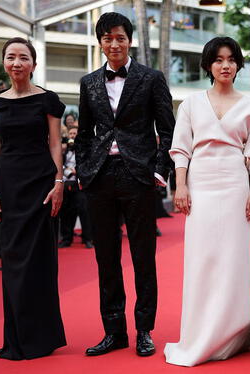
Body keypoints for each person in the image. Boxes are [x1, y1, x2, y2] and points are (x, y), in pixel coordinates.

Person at [164, 36, 250, 367]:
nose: (225, 65)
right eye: (218, 59)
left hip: (236, 186)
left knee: (233, 262)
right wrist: (180, 186)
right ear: (209, 65)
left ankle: (232, 334)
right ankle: (198, 335)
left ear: (238, 65)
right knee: (202, 260)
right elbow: (181, 148)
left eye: (231, 59)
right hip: (201, 184)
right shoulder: (191, 105)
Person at [75, 12, 174, 357]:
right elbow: (83, 134)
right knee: (106, 258)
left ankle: (144, 330)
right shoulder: (88, 83)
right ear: (100, 42)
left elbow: (168, 130)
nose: (113, 44)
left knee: (143, 256)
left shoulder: (151, 78)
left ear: (129, 40)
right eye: (107, 39)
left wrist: (160, 172)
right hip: (101, 177)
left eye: (119, 37)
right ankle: (113, 330)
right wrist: (86, 172)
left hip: (139, 177)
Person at [0, 37, 66, 360]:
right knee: (13, 261)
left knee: (40, 260)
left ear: (34, 63)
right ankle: (17, 337)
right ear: (4, 62)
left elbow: (56, 144)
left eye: (23, 57)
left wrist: (59, 181)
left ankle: (41, 337)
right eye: (10, 57)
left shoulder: (48, 100)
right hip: (8, 186)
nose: (16, 63)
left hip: (41, 185)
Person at [59, 126, 93, 248]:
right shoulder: (62, 150)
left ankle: (88, 239)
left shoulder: (84, 150)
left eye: (74, 133)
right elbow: (58, 164)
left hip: (79, 185)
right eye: (71, 133)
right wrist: (67, 171)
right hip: (65, 185)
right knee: (66, 213)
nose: (72, 135)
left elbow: (88, 165)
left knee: (84, 211)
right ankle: (66, 239)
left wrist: (76, 171)